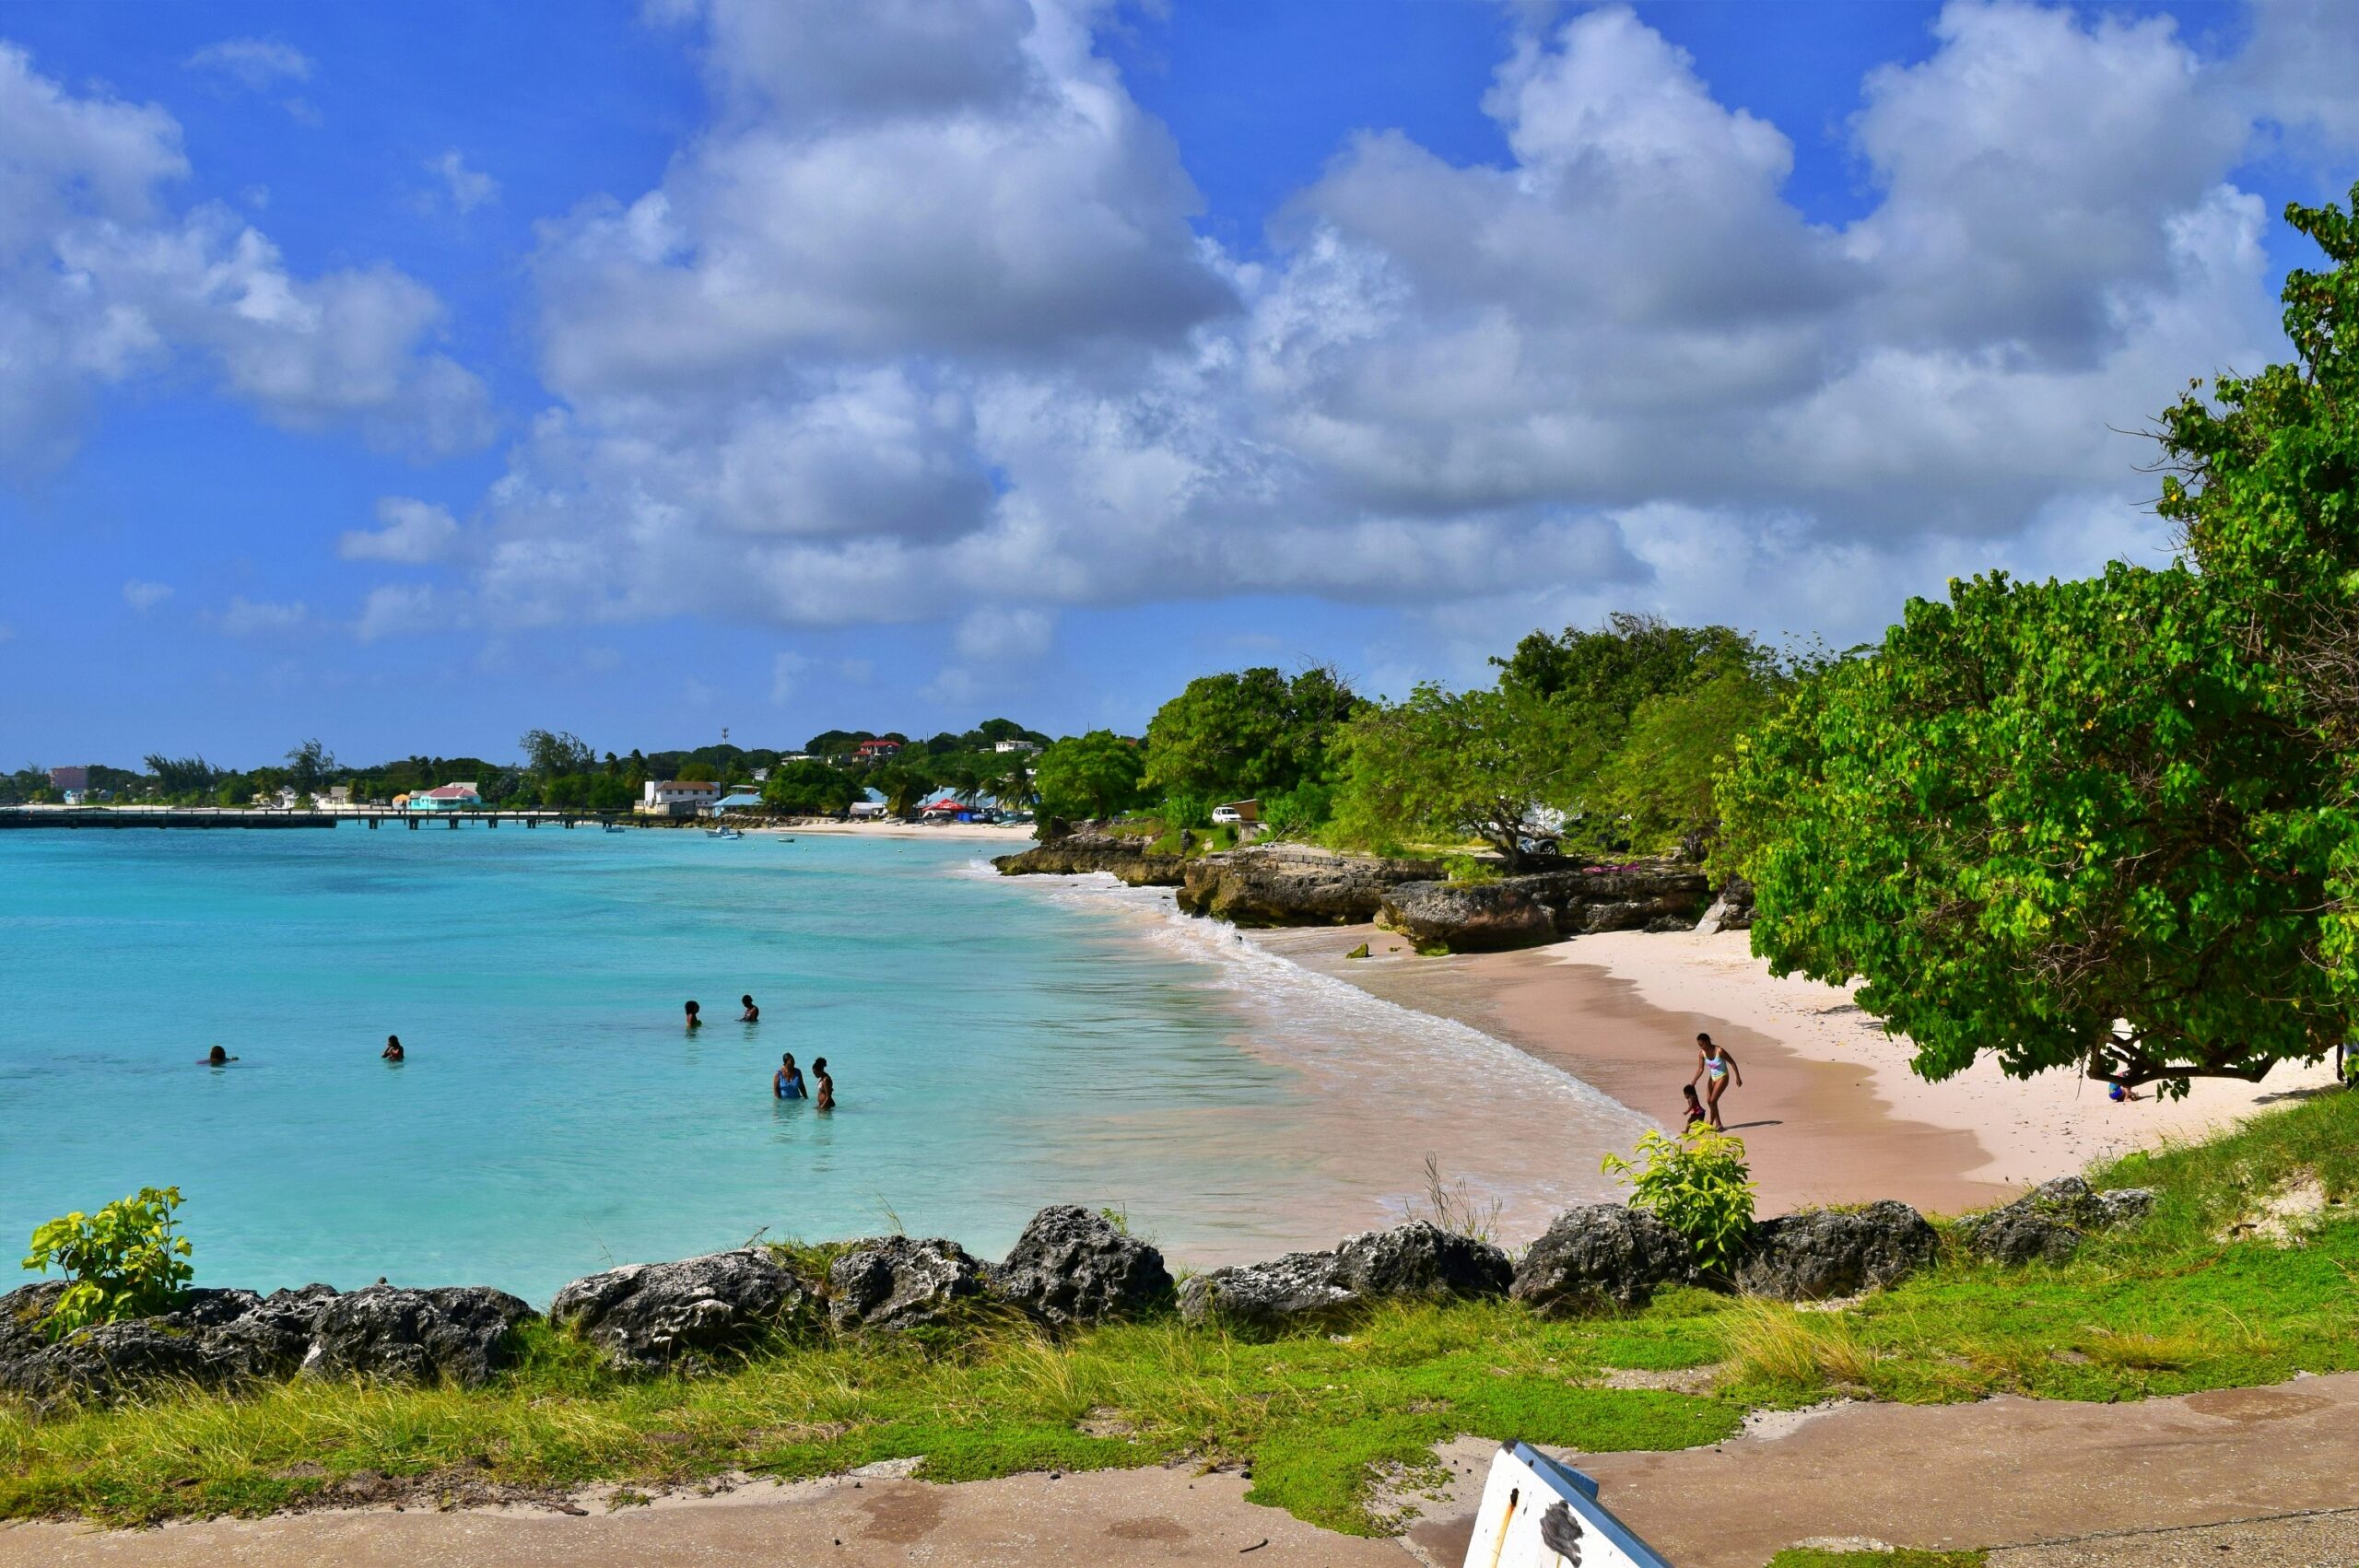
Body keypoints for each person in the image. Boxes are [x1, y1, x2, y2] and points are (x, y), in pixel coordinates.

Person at [1688, 1032, 1741, 1130]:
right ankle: (1719, 1124)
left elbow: (1732, 1062)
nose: (1701, 1047)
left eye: (1702, 1044)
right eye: (1699, 1045)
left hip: (1723, 1076)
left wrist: (1738, 1077)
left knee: (1713, 1101)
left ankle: (1711, 1123)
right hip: (1712, 1077)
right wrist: (1694, 1080)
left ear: (1708, 1041)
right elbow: (1700, 1069)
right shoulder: (1702, 1053)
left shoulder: (1720, 1051)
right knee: (1709, 1101)